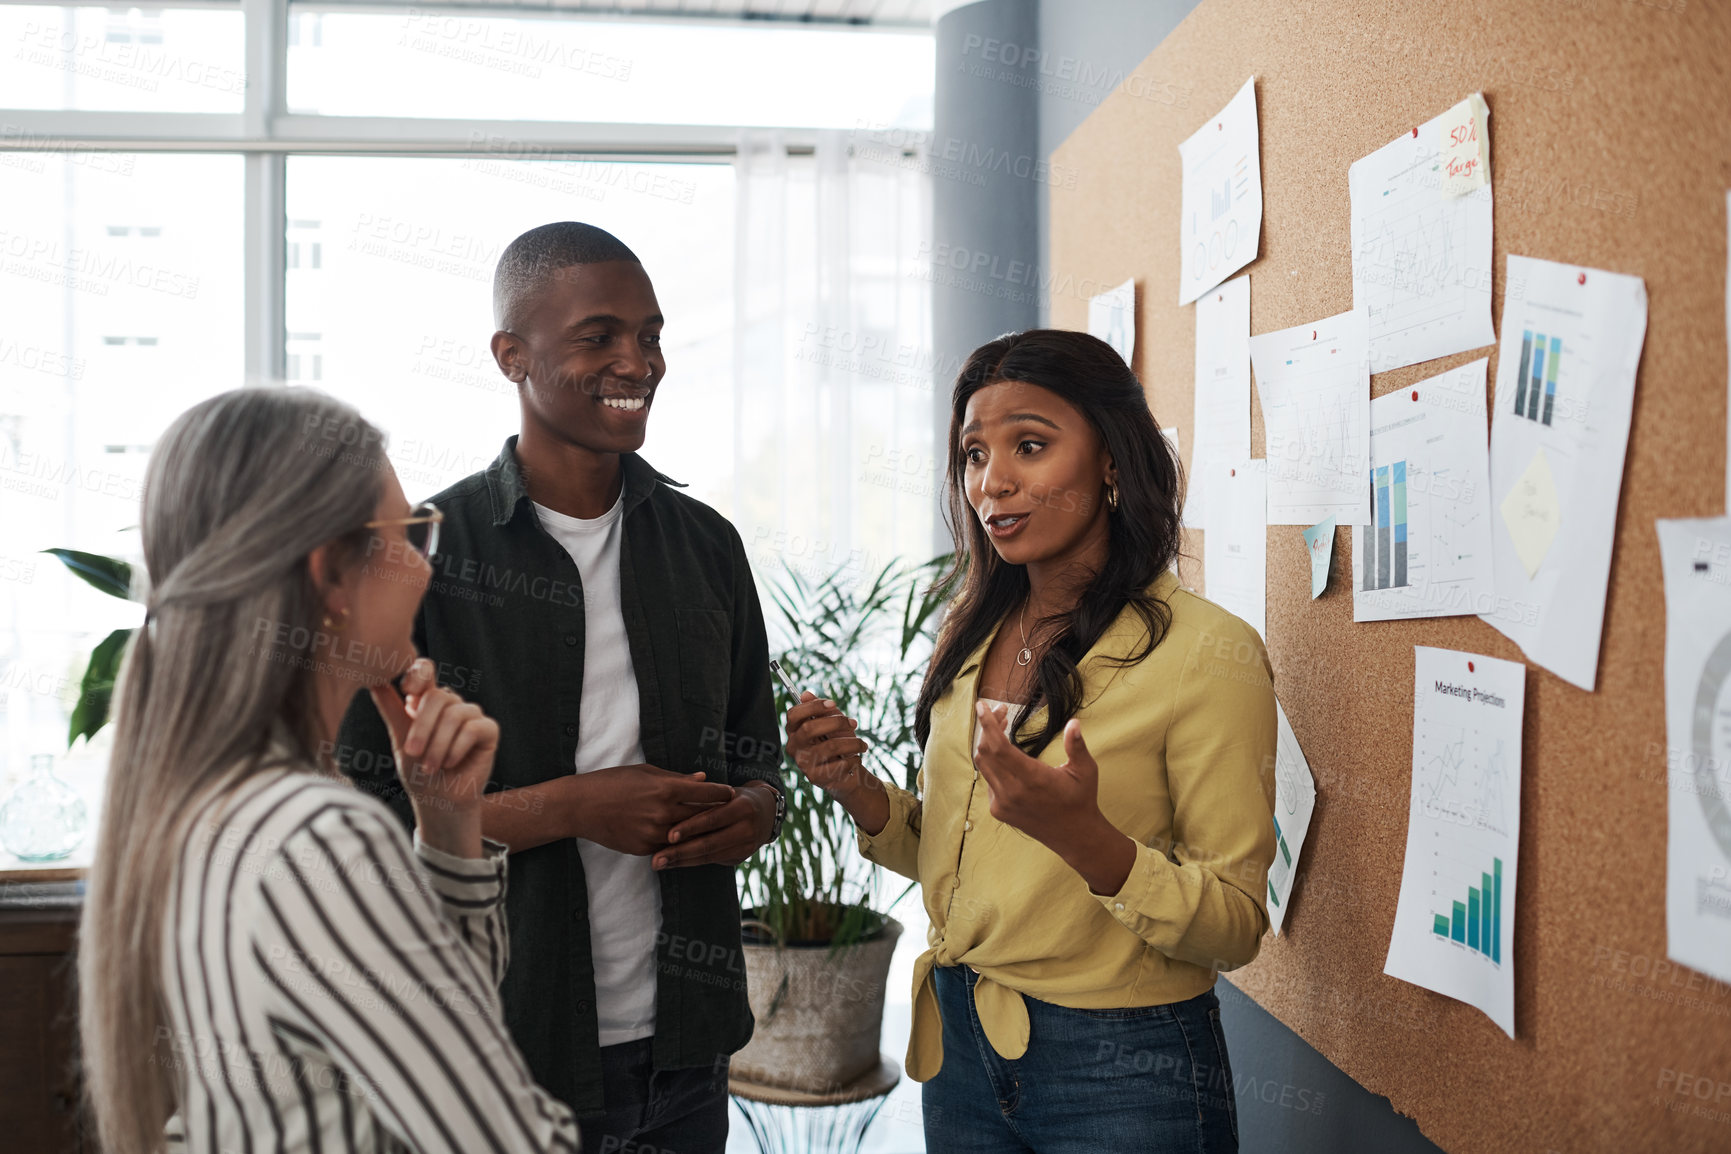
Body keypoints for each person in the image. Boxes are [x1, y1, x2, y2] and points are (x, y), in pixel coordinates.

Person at [336, 221, 784, 1152]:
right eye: (599, 336)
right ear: (511, 355)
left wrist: (749, 812)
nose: (637, 361)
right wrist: (574, 807)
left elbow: (756, 761)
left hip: (689, 1055)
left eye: (651, 335)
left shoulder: (707, 548)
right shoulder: (424, 553)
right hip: (505, 1054)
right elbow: (368, 817)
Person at [785, 329, 1277, 1153]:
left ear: (1112, 462)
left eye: (1030, 445)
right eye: (974, 454)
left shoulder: (1206, 653)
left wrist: (1087, 841)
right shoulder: (971, 634)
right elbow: (966, 848)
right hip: (962, 1047)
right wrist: (856, 791)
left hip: (1123, 1067)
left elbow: (1233, 924)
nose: (992, 482)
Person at [77, 387, 579, 1154]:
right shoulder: (317, 839)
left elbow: (439, 1040)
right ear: (331, 578)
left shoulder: (204, 802)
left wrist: (447, 825)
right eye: (407, 535)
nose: (423, 566)